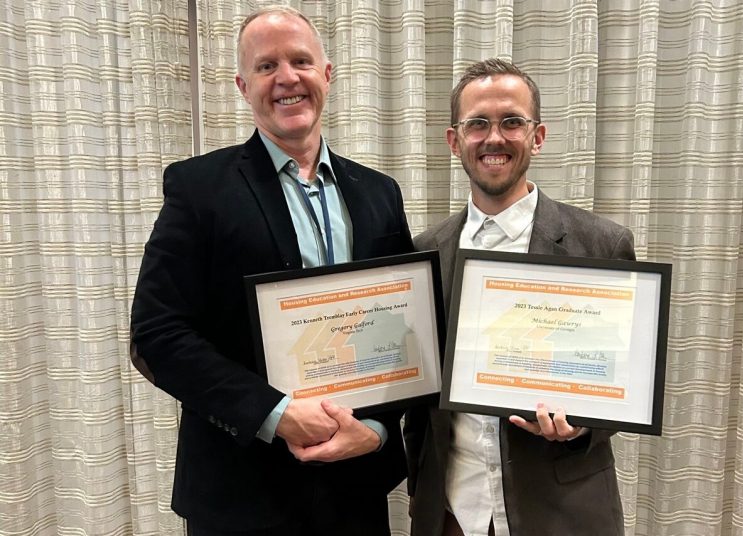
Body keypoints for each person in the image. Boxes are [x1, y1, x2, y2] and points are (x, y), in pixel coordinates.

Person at [129, 6, 413, 535]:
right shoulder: (198, 189)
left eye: (301, 60)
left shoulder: (380, 193)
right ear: (243, 84)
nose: (287, 78)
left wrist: (375, 428)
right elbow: (157, 334)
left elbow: (403, 330)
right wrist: (275, 414)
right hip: (241, 495)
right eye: (266, 66)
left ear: (327, 74)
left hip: (355, 491)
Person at [403, 58, 632, 536]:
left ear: (538, 135)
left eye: (512, 122)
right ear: (454, 140)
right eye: (477, 124)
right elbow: (420, 397)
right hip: (451, 514)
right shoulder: (426, 251)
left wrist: (583, 425)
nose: (494, 137)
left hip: (561, 512)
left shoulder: (601, 244)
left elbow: (624, 385)